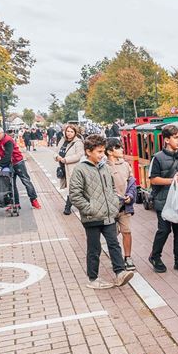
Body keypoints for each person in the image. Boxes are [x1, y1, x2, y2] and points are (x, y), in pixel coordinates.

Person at [69, 134, 134, 289]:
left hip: (109, 214)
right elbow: (75, 195)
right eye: (99, 151)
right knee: (94, 248)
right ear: (88, 151)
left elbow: (111, 188)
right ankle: (93, 278)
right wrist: (89, 209)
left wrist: (113, 204)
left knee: (113, 243)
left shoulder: (104, 167)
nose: (101, 155)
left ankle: (120, 273)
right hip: (91, 217)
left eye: (103, 151)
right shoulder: (80, 169)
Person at [148, 124, 178, 274]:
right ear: (167, 140)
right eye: (175, 138)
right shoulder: (157, 158)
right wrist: (172, 181)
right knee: (164, 230)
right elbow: (153, 180)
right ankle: (155, 257)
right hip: (163, 199)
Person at [0, 127, 41, 209]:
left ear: (2, 133)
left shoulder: (8, 140)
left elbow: (8, 155)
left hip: (18, 162)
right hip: (8, 163)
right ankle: (16, 203)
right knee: (11, 183)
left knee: (26, 181)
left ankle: (34, 200)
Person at [105, 138, 137, 270]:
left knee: (127, 231)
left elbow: (132, 182)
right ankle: (116, 259)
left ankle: (128, 257)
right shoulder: (103, 166)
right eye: (118, 148)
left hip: (125, 206)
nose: (122, 150)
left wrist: (130, 195)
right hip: (110, 207)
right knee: (112, 235)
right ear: (110, 152)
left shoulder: (125, 165)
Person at [55, 124, 84, 215]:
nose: (69, 133)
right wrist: (57, 157)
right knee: (71, 188)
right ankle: (81, 205)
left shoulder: (78, 142)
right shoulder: (62, 140)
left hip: (73, 168)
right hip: (63, 167)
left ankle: (68, 207)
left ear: (75, 133)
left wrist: (65, 160)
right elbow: (56, 151)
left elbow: (79, 155)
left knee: (72, 188)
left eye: (71, 132)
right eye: (68, 131)